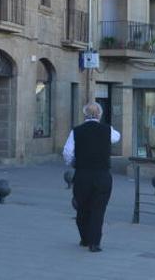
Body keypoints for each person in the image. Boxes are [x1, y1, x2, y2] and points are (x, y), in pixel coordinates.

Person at [62, 102, 121, 253]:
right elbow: (117, 137)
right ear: (99, 115)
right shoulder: (107, 130)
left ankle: (85, 238)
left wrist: (74, 162)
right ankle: (94, 243)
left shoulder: (76, 131)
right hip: (102, 174)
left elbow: (67, 152)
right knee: (98, 209)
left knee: (82, 208)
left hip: (82, 174)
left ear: (84, 114)